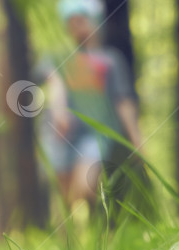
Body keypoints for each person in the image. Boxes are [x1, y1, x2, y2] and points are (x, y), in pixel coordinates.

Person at [40, 0, 142, 207]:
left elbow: (123, 101)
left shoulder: (111, 60)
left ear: (95, 21)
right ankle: (67, 238)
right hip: (61, 134)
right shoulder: (57, 57)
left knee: (86, 186)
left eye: (81, 20)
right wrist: (59, 111)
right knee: (63, 196)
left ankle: (94, 229)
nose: (77, 27)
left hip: (96, 135)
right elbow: (52, 80)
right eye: (71, 22)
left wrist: (137, 140)